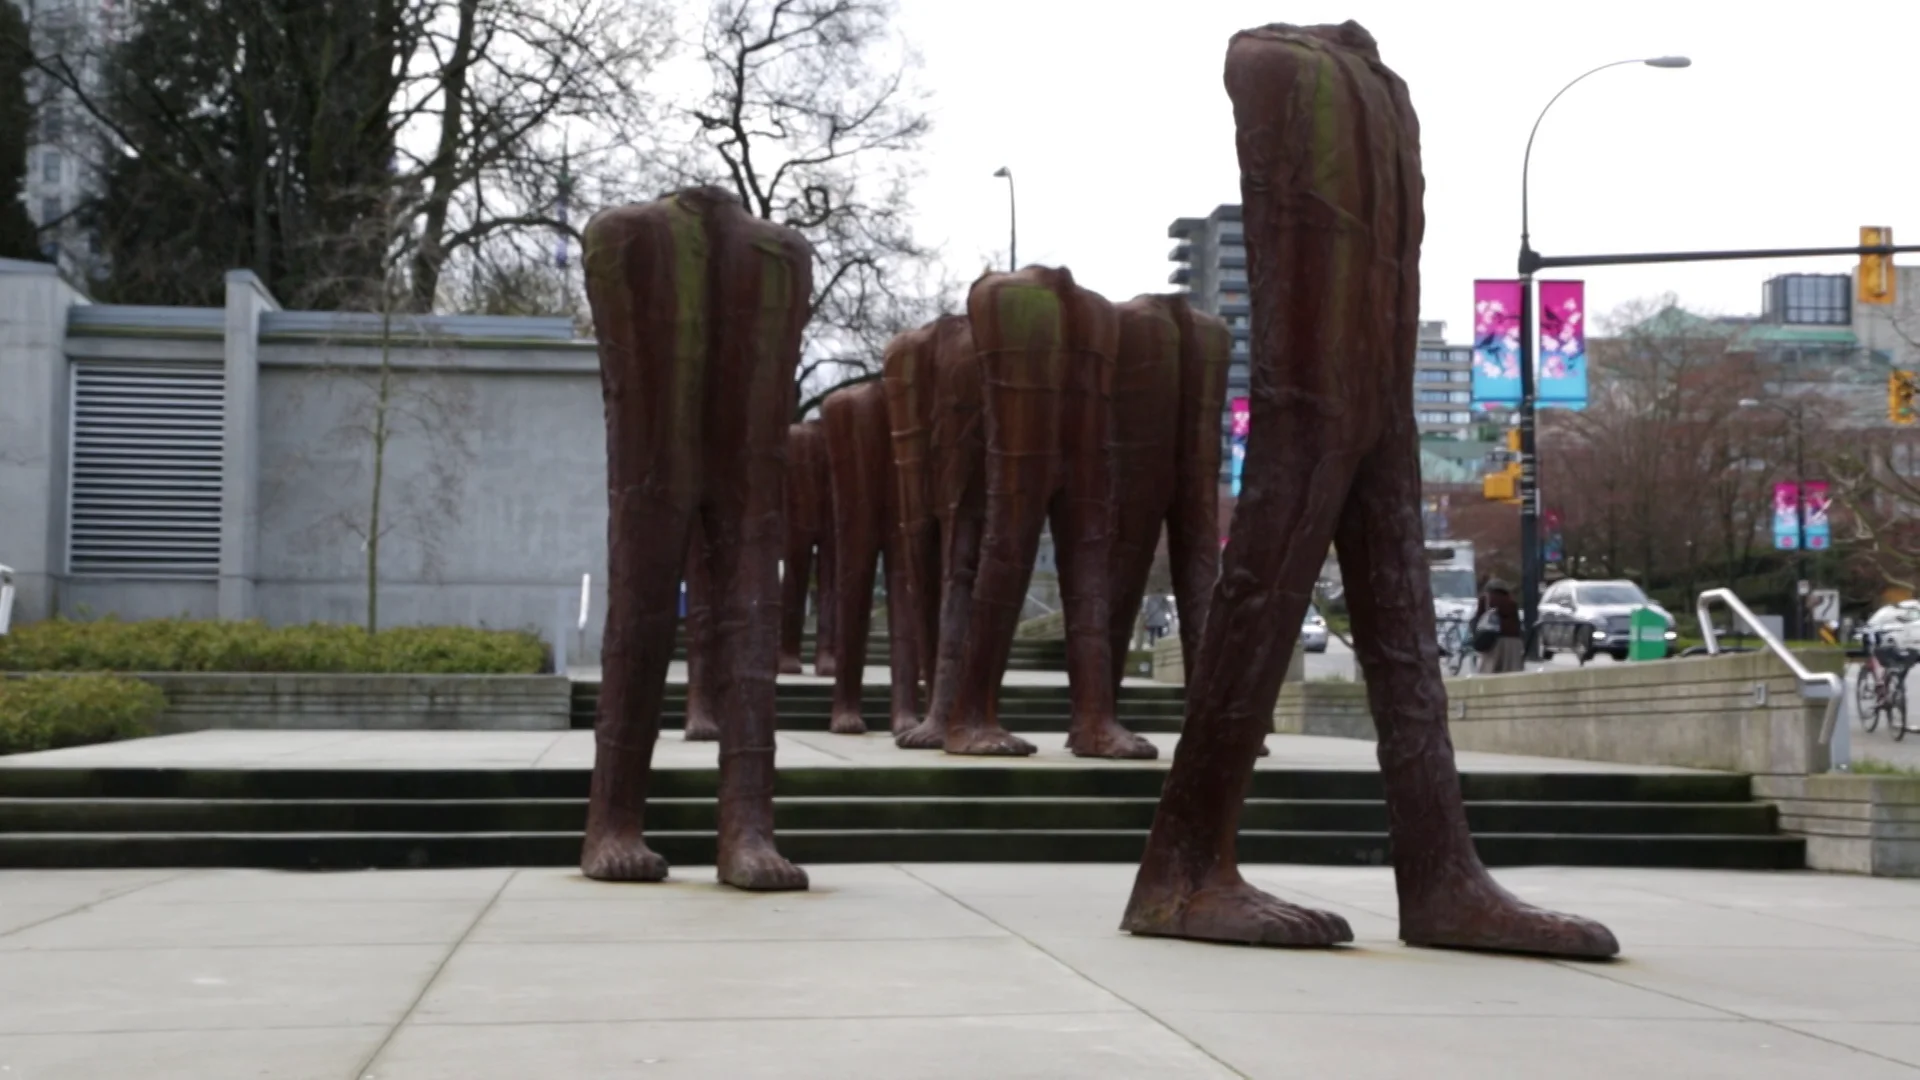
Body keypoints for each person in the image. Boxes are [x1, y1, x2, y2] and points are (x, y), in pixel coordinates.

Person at [1472, 578, 1524, 674]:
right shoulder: (1512, 602)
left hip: (1494, 639)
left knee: (1490, 670)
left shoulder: (1486, 599)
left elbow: (1478, 618)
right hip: (1513, 641)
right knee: (1512, 673)